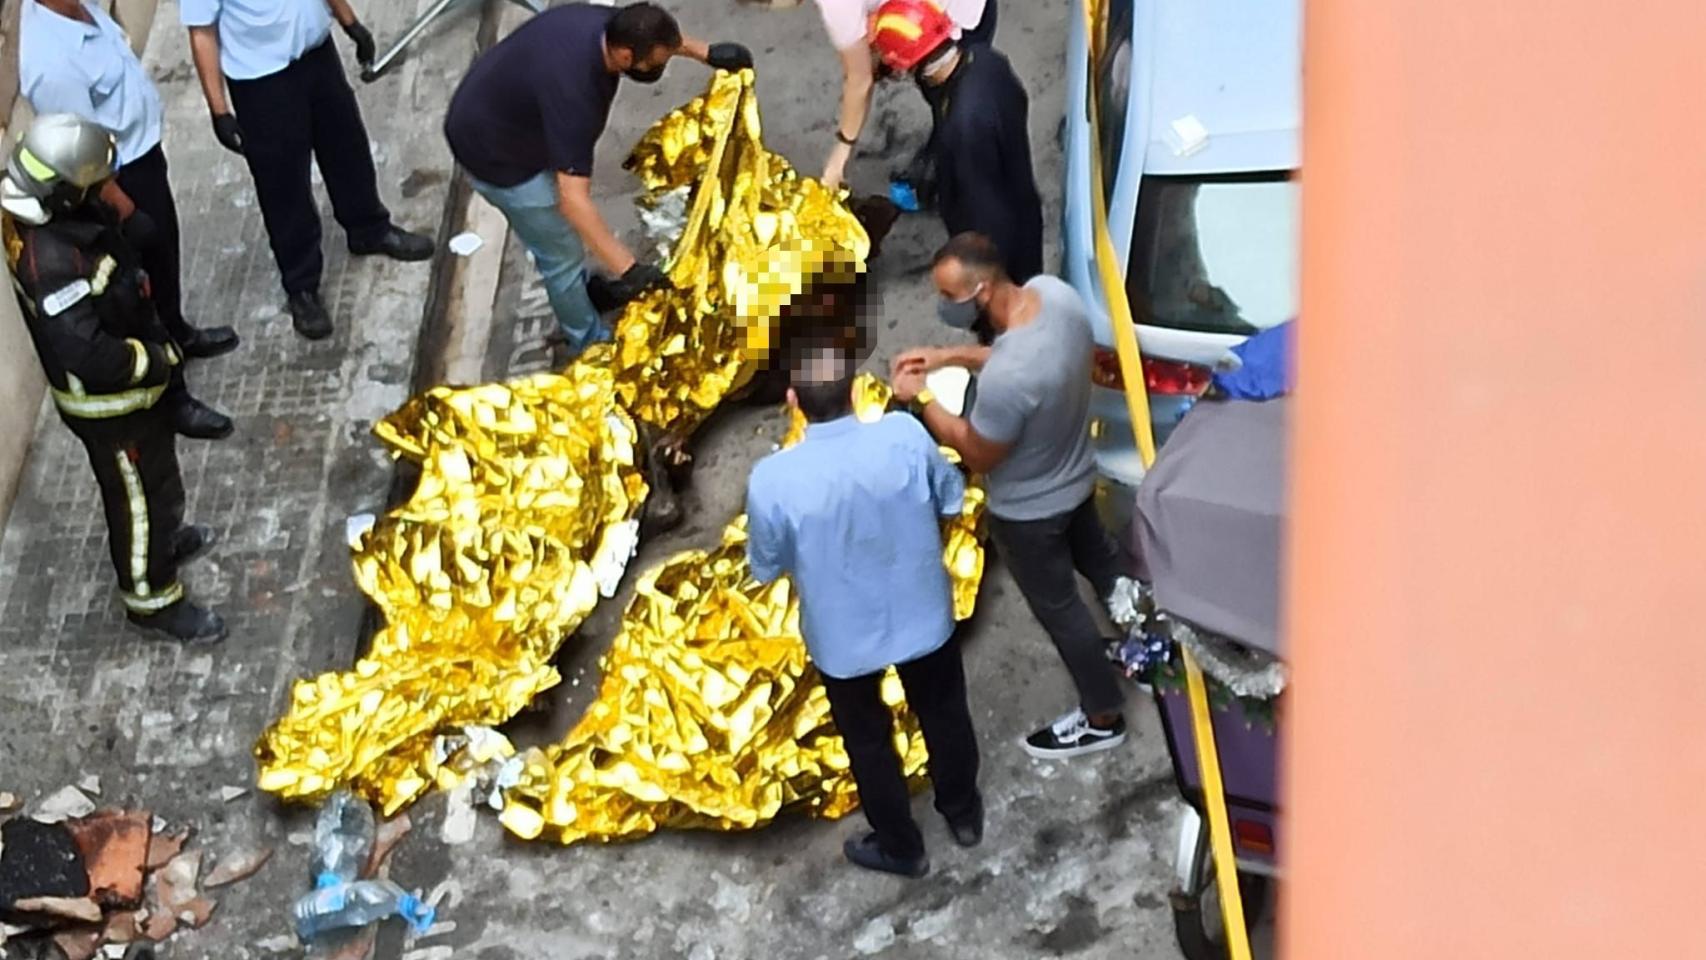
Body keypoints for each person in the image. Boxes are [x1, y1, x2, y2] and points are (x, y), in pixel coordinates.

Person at [746, 342, 982, 878]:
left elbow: (767, 563)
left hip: (842, 637)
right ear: (856, 392)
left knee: (868, 740)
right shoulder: (903, 436)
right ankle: (963, 813)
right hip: (924, 616)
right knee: (944, 713)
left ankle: (903, 847)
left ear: (793, 401)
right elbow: (950, 498)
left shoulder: (772, 480)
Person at [891, 233, 1127, 760]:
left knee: (1063, 611)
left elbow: (977, 452)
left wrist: (922, 400)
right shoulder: (1055, 296)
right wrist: (949, 355)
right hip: (1077, 475)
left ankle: (1102, 714)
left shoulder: (1007, 381)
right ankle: (1149, 646)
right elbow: (1012, 351)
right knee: (1105, 565)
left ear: (980, 290)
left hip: (1030, 512)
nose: (943, 307)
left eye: (949, 297)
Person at [1, 115, 226, 643]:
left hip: (131, 393)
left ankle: (164, 545)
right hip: (110, 408)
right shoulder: (51, 264)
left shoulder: (53, 213)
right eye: (95, 185)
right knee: (137, 499)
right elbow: (90, 354)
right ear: (62, 193)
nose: (105, 190)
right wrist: (154, 362)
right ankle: (152, 602)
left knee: (159, 486)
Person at [444, 3, 753, 358]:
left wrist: (705, 53)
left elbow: (651, 36)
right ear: (624, 56)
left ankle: (587, 292)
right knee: (560, 252)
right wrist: (629, 269)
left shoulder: (605, 24)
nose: (658, 68)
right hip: (495, 154)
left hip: (506, 111)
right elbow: (572, 200)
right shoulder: (577, 96)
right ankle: (588, 342)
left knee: (567, 237)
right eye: (653, 63)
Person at [20, 0, 240, 441]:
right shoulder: (50, 60)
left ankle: (180, 333)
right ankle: (173, 396)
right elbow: (85, 159)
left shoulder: (78, 12)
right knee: (141, 291)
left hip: (141, 157)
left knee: (165, 261)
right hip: (117, 185)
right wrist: (125, 210)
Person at [182, 0, 435, 340]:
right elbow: (202, 33)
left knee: (346, 144)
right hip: (261, 80)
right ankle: (301, 285)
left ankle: (368, 228)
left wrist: (350, 23)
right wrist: (220, 111)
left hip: (317, 55)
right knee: (282, 182)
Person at [869, 0, 1041, 313]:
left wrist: (983, 284)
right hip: (1023, 206)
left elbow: (985, 214)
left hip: (1000, 260)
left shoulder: (963, 126)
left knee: (1009, 323)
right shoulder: (988, 62)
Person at [814, 0, 997, 191]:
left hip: (945, 23)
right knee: (962, 92)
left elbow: (859, 81)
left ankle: (954, 183)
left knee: (955, 100)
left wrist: (841, 151)